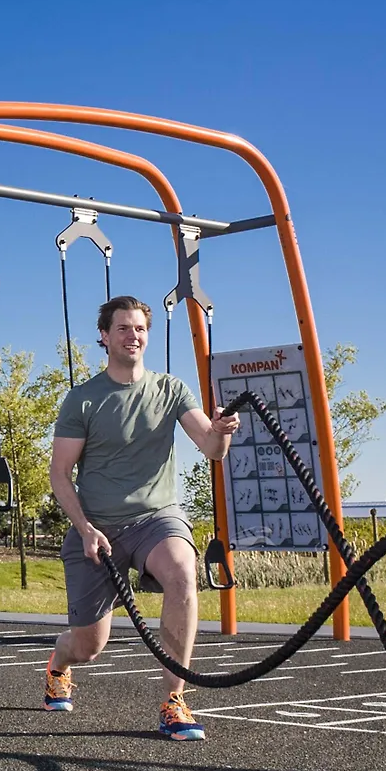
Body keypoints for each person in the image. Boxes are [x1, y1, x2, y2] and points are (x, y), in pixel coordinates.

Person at [44, 296, 240, 741]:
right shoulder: (83, 400)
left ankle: (174, 700)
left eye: (139, 329)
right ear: (104, 336)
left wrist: (222, 434)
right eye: (123, 329)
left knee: (182, 572)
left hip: (156, 518)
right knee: (89, 647)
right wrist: (84, 528)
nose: (133, 336)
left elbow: (209, 448)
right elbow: (59, 475)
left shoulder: (170, 389)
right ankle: (59, 662)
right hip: (97, 528)